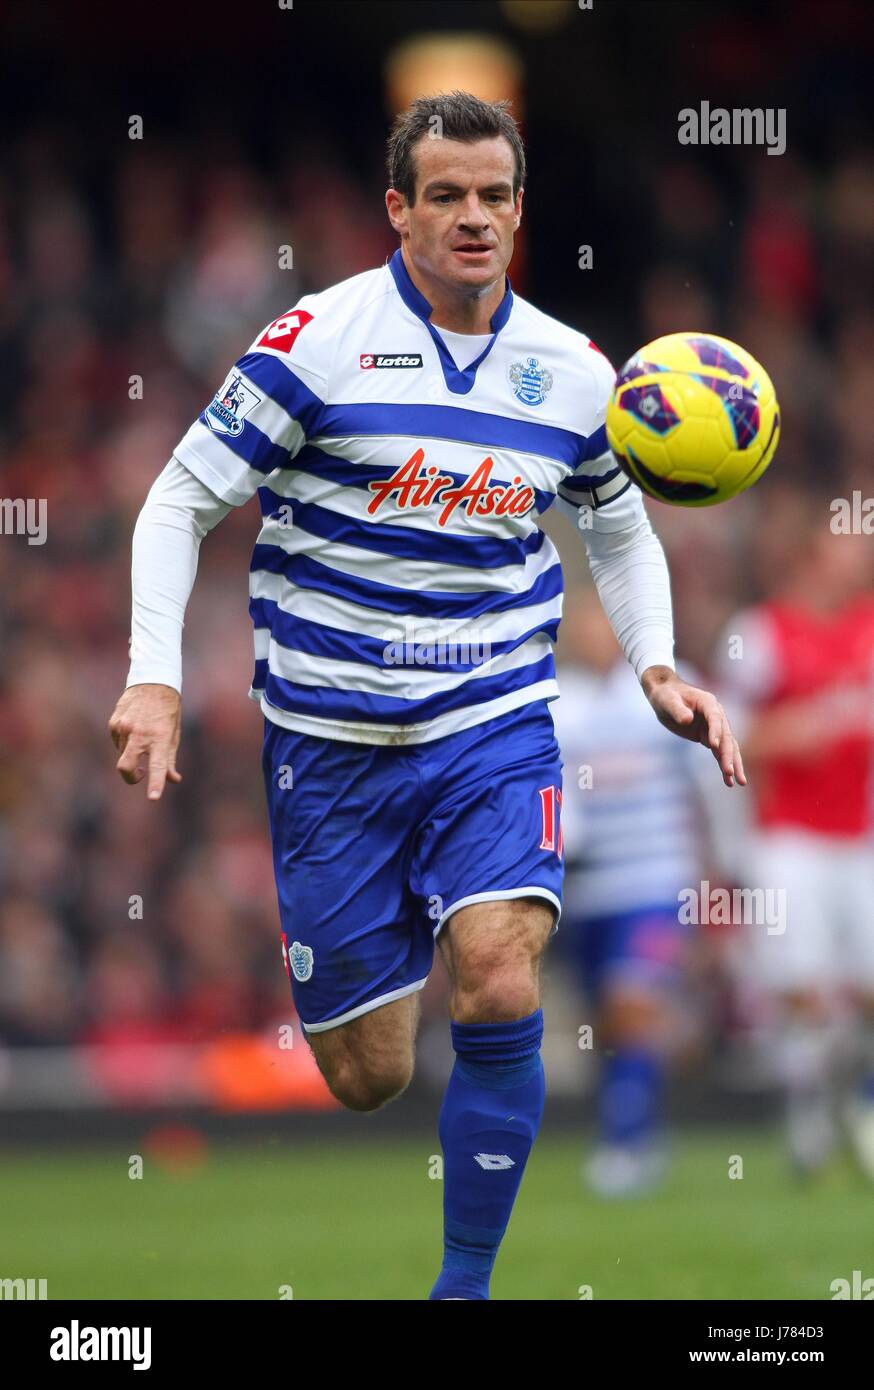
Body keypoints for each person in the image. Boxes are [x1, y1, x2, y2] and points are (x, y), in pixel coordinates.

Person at [108, 91, 743, 1301]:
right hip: (330, 742)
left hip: (495, 722)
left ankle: (463, 1288)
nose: (472, 218)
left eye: (493, 196)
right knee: (367, 1071)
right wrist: (153, 678)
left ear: (519, 210)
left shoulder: (571, 372)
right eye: (443, 195)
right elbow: (178, 501)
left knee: (501, 970)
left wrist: (656, 662)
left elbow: (617, 527)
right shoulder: (312, 345)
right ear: (395, 209)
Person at [717, 501, 874, 1178]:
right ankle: (811, 1118)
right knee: (804, 989)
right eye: (850, 544)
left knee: (865, 987)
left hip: (859, 836)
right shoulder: (762, 633)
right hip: (788, 838)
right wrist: (795, 731)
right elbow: (729, 736)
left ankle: (853, 1100)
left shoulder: (870, 627)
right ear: (815, 554)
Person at [553, 591, 708, 1196]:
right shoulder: (557, 702)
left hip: (653, 881)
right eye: (585, 627)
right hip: (584, 892)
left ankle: (624, 1146)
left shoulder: (667, 693)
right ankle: (637, 1125)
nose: (595, 637)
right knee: (604, 1024)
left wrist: (720, 869)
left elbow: (711, 780)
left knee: (631, 1007)